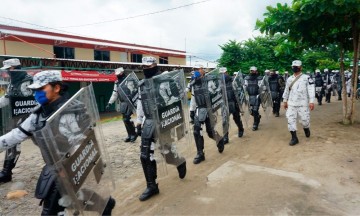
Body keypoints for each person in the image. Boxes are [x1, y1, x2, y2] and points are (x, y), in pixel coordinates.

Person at [0, 70, 116, 215]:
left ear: (56, 88)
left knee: (52, 210)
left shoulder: (72, 110)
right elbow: (16, 135)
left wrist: (71, 165)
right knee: (71, 198)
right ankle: (105, 205)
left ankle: (105, 205)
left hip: (71, 166)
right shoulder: (39, 114)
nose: (37, 93)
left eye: (41, 89)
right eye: (35, 90)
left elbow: (83, 142)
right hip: (53, 167)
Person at [136, 56, 187, 201]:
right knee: (145, 155)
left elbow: (178, 96)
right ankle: (152, 186)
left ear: (155, 66)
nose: (146, 69)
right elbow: (141, 103)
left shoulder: (166, 79)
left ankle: (179, 161)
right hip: (149, 122)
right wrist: (139, 122)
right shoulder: (142, 84)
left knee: (167, 153)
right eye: (144, 67)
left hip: (164, 120)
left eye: (149, 67)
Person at [0, 58, 35, 184]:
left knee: (44, 142)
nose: (7, 73)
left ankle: (57, 169)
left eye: (8, 70)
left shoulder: (28, 80)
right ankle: (6, 172)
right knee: (12, 143)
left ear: (13, 68)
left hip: (32, 118)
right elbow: (7, 98)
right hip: (17, 117)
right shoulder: (13, 82)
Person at [189, 66, 226, 164]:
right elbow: (193, 98)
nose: (197, 71)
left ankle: (219, 139)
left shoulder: (210, 81)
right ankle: (200, 153)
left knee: (210, 132)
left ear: (203, 71)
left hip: (209, 109)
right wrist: (191, 111)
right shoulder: (194, 83)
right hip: (199, 109)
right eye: (195, 69)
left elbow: (216, 93)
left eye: (199, 69)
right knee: (197, 131)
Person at [283, 60, 315, 146]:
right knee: (290, 120)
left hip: (303, 103)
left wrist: (311, 101)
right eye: (293, 66)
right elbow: (286, 90)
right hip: (292, 103)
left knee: (304, 120)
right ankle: (294, 138)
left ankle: (306, 128)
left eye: (296, 66)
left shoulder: (307, 78)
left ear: (301, 67)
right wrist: (285, 101)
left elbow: (311, 90)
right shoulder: (289, 79)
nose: (294, 68)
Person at [106, 67, 137, 142]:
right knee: (124, 120)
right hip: (123, 102)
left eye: (118, 73)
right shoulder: (117, 82)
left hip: (130, 102)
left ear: (122, 72)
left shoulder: (129, 80)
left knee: (126, 119)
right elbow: (115, 93)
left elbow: (134, 90)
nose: (117, 75)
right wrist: (110, 103)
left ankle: (133, 134)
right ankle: (129, 135)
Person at [220, 67, 244, 144]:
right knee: (224, 121)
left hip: (233, 102)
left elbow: (239, 91)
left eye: (223, 73)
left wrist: (239, 103)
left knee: (236, 118)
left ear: (226, 72)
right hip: (224, 104)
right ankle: (225, 137)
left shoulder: (233, 81)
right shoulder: (219, 83)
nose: (223, 75)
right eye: (221, 74)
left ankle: (240, 129)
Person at [244, 66, 264, 131]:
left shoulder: (259, 78)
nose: (252, 72)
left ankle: (255, 124)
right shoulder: (246, 78)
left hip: (257, 96)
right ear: (250, 71)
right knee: (251, 111)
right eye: (251, 71)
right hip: (249, 96)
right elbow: (245, 87)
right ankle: (257, 116)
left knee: (255, 110)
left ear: (256, 71)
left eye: (254, 71)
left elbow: (262, 87)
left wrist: (263, 89)